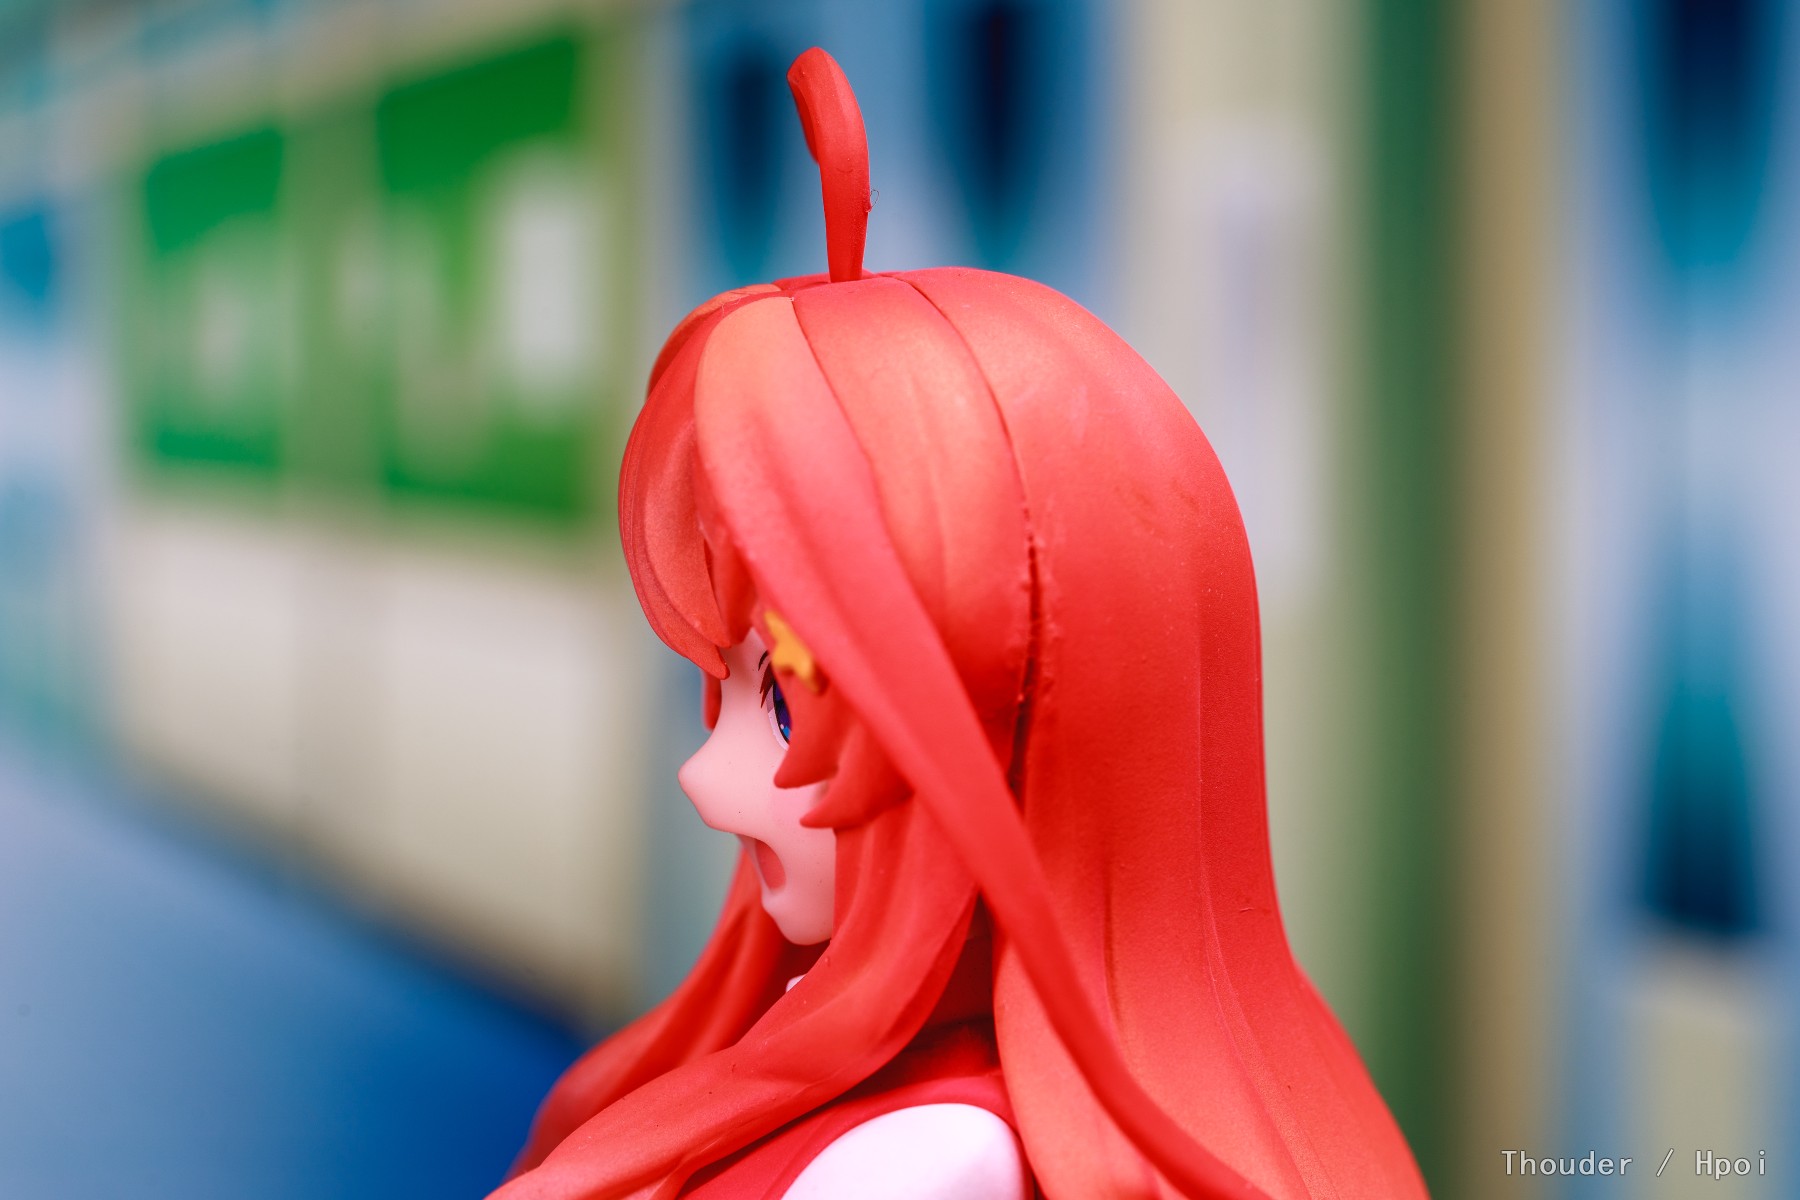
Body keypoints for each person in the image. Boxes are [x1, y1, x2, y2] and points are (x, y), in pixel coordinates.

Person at [493, 48, 1427, 1200]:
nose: (705, 781)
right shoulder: (861, 1081)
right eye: (723, 688)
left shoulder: (918, 1168)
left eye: (783, 702)